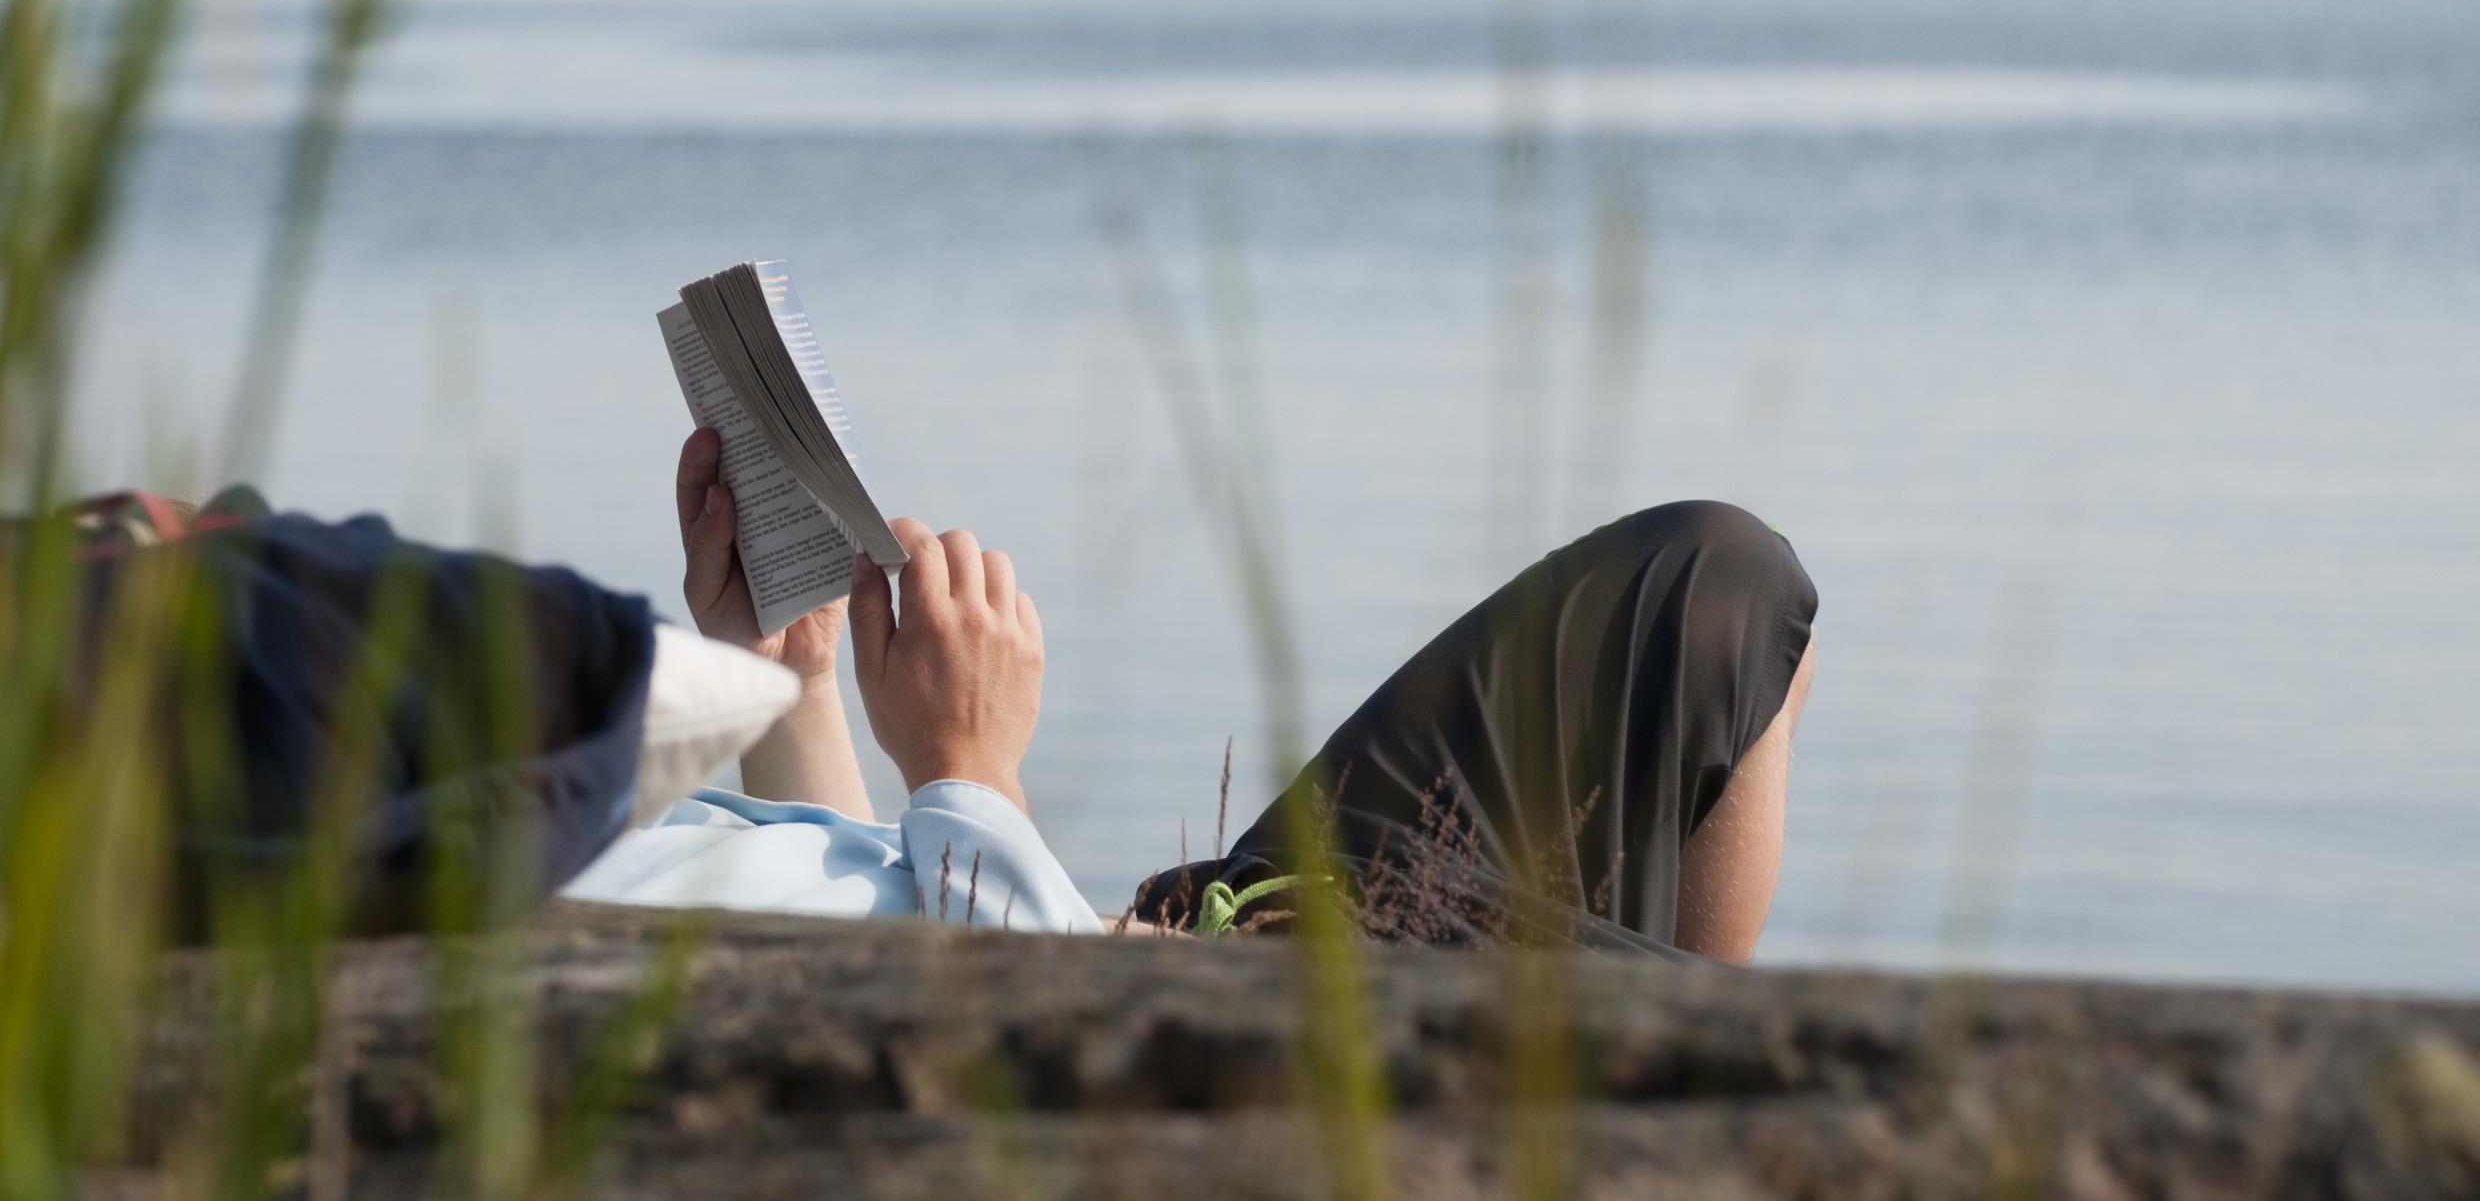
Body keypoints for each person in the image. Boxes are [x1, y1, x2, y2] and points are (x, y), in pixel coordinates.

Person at [566, 428, 1819, 961]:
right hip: (1165, 1012)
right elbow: (991, 1054)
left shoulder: (479, 846)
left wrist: (793, 689)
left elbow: (831, 925)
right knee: (1724, 591)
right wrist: (968, 767)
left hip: (1176, 937)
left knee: (1721, 585)